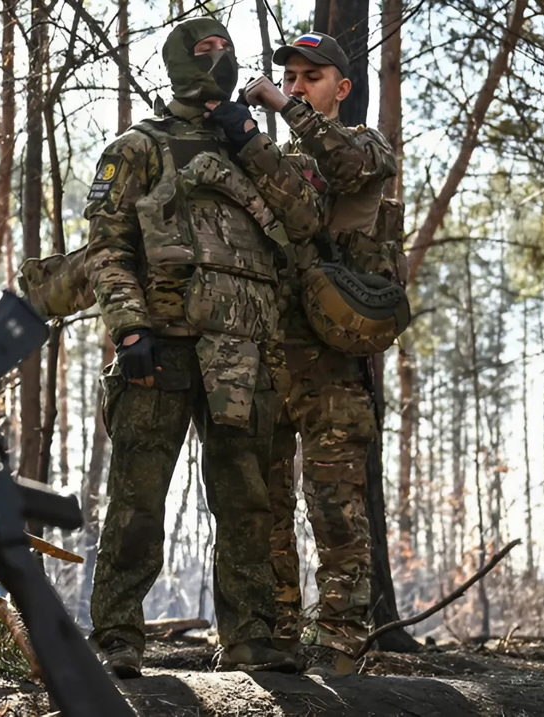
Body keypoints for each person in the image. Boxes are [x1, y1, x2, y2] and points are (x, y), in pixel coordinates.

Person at [83, 17, 327, 678]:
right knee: (137, 497)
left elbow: (306, 220)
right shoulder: (138, 146)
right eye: (203, 50)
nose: (218, 59)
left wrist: (249, 140)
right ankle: (117, 636)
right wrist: (129, 327)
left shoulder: (256, 147)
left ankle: (249, 637)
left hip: (244, 351)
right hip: (160, 346)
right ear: (176, 62)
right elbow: (107, 246)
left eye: (226, 49)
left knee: (247, 500)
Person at [241, 31, 403, 669]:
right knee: (266, 504)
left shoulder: (366, 145)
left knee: (335, 506)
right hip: (269, 350)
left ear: (342, 87)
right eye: (292, 78)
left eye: (312, 77)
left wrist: (285, 108)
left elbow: (343, 168)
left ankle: (342, 645)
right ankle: (278, 638)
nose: (298, 86)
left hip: (333, 362)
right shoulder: (274, 158)